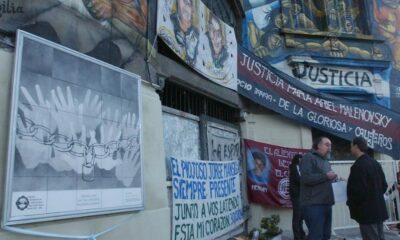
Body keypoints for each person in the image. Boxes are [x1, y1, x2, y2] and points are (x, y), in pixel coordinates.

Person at [346, 137, 388, 240]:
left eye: (351, 146)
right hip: (378, 210)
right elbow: (384, 185)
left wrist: (351, 202)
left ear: (356, 147)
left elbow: (358, 192)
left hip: (367, 213)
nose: (350, 149)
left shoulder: (358, 166)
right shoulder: (375, 163)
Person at [299, 137, 337, 240]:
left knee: (326, 236)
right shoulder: (308, 158)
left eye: (330, 145)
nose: (330, 148)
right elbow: (305, 179)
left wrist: (336, 178)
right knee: (316, 236)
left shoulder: (326, 161)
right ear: (318, 145)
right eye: (327, 145)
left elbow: (326, 178)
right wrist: (326, 176)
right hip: (313, 205)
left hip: (326, 203)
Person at [170, 0, 199, 64]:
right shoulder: (169, 21)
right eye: (184, 1)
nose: (186, 7)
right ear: (177, 2)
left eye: (188, 4)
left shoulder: (197, 35)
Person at [289, 154, 306, 240]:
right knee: (297, 216)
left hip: (300, 194)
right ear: (297, 160)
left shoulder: (299, 167)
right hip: (296, 195)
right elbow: (298, 179)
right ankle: (297, 237)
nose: (301, 161)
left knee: (301, 216)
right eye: (300, 160)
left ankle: (301, 235)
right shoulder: (294, 166)